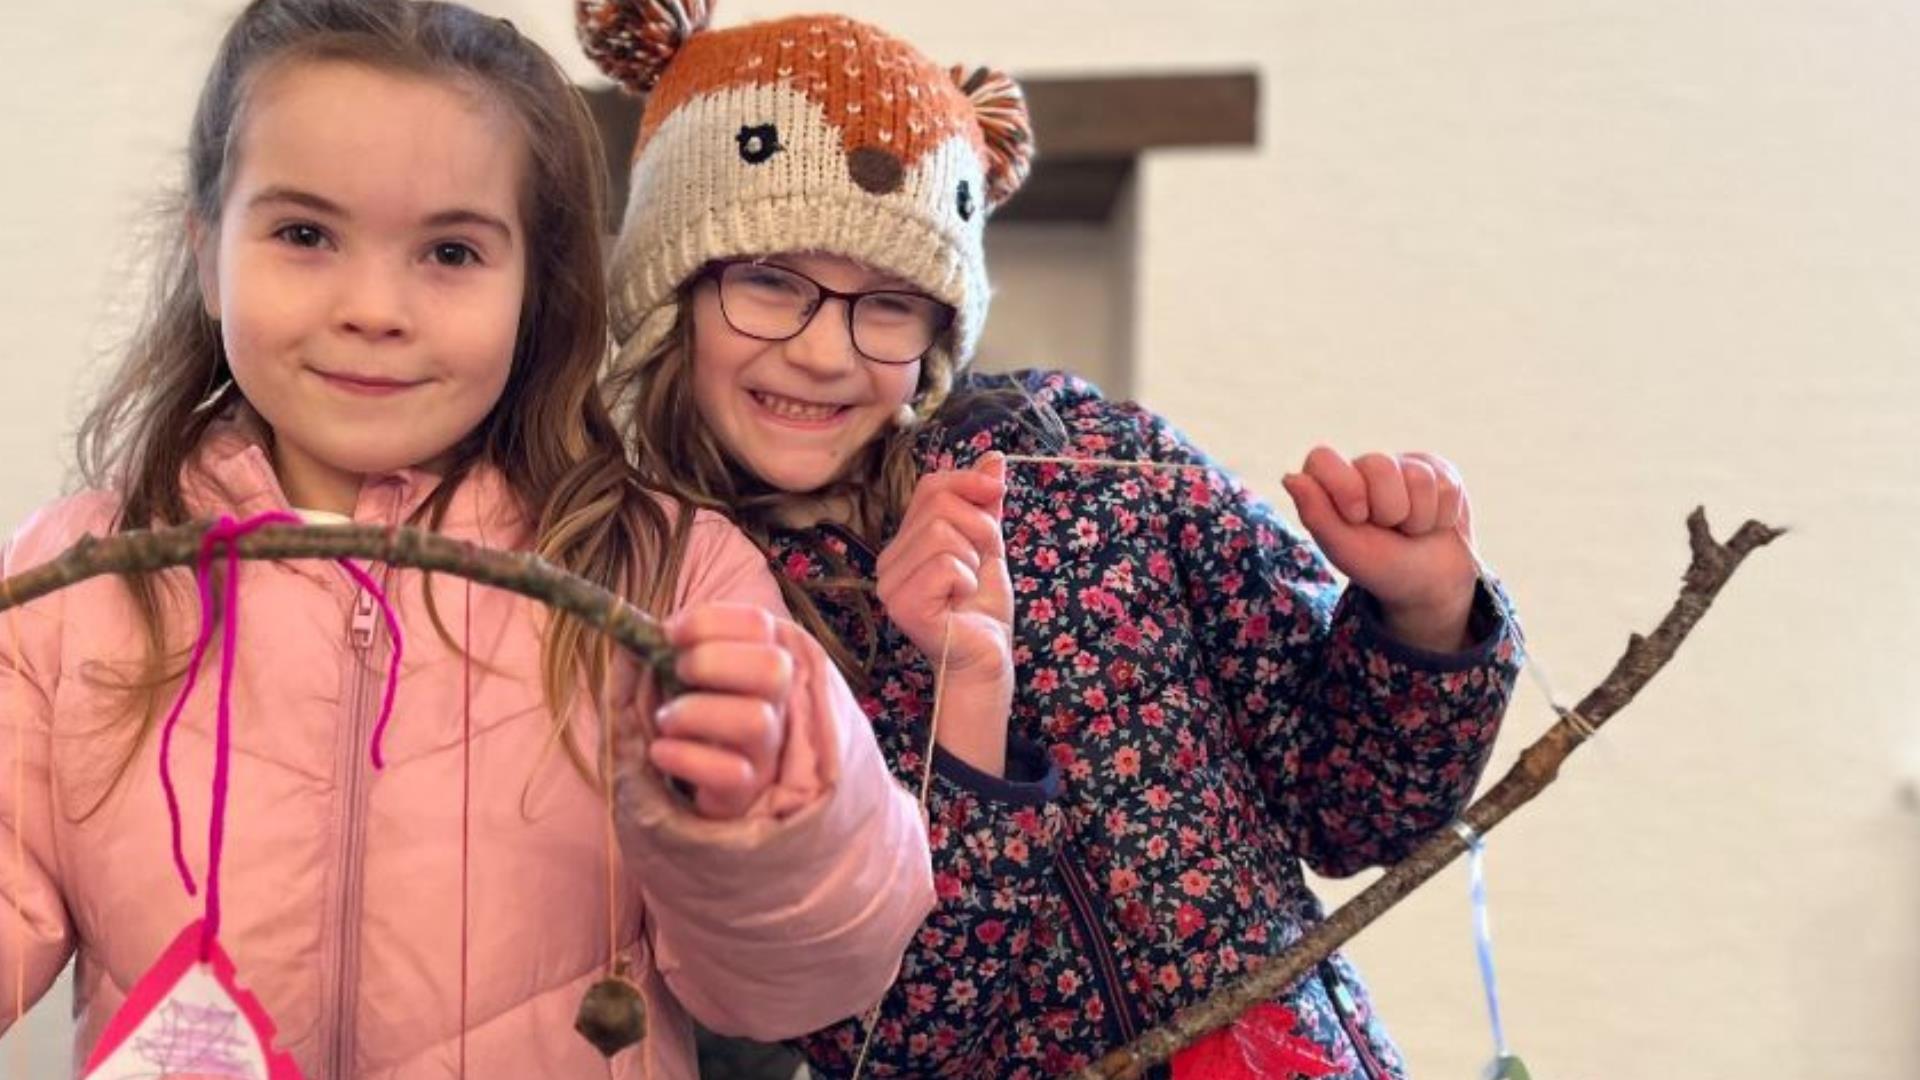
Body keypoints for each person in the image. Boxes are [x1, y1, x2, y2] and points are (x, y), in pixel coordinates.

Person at [581, 3, 1523, 1077]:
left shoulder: (1082, 452)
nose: (826, 353)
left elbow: (1352, 809)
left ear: (939, 325)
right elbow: (887, 1036)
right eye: (769, 281)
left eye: (888, 302)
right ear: (671, 289)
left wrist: (1424, 615)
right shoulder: (685, 610)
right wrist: (967, 713)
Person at [0, 3, 933, 1077]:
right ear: (207, 253)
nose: (374, 308)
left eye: (450, 251)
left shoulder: (672, 577)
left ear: (536, 291)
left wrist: (771, 818)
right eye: (304, 235)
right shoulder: (73, 589)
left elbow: (806, 984)